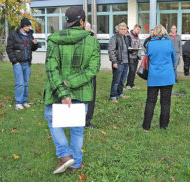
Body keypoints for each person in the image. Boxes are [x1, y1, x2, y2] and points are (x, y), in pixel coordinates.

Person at [44, 6, 101, 173]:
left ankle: (65, 156)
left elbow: (51, 69)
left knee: (53, 119)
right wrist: (71, 83)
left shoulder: (54, 40)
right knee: (77, 128)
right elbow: (92, 70)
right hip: (81, 92)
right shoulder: (92, 41)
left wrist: (63, 89)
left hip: (56, 90)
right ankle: (74, 163)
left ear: (66, 21)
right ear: (82, 21)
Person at [142, 24, 176, 131]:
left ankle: (146, 126)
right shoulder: (169, 43)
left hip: (154, 77)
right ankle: (164, 126)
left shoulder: (150, 44)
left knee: (150, 102)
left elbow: (147, 58)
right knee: (165, 102)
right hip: (167, 76)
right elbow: (173, 59)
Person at [6, 18, 38, 110]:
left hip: (27, 63)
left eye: (29, 26)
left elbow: (32, 48)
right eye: (28, 26)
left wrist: (35, 44)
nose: (29, 27)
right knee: (20, 83)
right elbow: (9, 49)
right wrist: (14, 62)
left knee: (25, 83)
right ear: (23, 26)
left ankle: (24, 101)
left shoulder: (30, 35)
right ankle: (18, 103)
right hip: (18, 63)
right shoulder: (13, 35)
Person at [108, 22, 130, 103]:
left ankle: (120, 94)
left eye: (125, 29)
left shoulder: (126, 38)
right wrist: (114, 62)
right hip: (118, 62)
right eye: (122, 29)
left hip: (126, 62)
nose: (123, 30)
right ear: (118, 29)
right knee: (116, 80)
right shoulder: (114, 38)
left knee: (123, 80)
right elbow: (111, 50)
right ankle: (113, 96)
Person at [85, 22, 97, 128]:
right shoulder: (91, 41)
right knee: (89, 97)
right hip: (88, 72)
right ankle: (86, 121)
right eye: (90, 28)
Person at [126, 24, 142, 90]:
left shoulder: (137, 36)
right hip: (130, 56)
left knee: (134, 71)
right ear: (134, 28)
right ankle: (128, 85)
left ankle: (132, 84)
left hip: (136, 56)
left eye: (139, 30)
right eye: (137, 29)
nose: (138, 31)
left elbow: (138, 45)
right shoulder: (129, 36)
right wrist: (131, 50)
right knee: (131, 70)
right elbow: (127, 46)